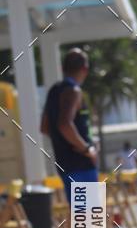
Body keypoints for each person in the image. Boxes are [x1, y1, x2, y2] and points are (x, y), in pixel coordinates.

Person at [40, 48, 97, 202]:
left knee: (82, 219)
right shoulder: (74, 91)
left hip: (64, 163)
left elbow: (44, 127)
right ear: (85, 69)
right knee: (89, 220)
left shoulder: (54, 91)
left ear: (63, 68)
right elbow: (65, 124)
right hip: (81, 164)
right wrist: (86, 148)